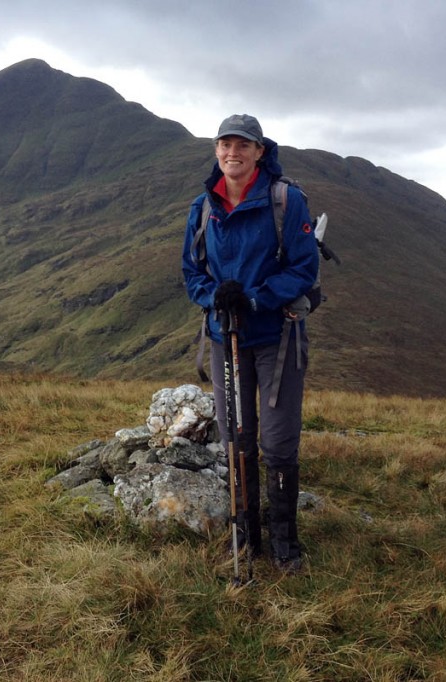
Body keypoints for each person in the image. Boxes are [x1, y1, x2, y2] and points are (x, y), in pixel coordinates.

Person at [182, 114, 319, 574]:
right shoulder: (202, 207)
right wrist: (214, 296)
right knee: (236, 440)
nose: (232, 153)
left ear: (260, 151)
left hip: (277, 338)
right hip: (227, 341)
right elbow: (192, 272)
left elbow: (304, 268)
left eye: (243, 145)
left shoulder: (286, 201)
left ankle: (284, 542)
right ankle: (245, 535)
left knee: (279, 443)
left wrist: (256, 297)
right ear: (216, 150)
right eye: (225, 144)